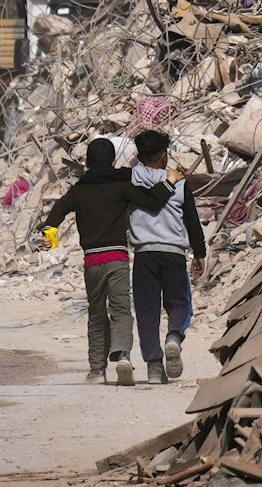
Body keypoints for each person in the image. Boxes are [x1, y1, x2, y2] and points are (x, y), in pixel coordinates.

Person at [42, 137, 181, 385]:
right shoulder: (121, 187)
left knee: (96, 314)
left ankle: (97, 369)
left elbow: (57, 211)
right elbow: (152, 201)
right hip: (117, 258)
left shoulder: (79, 190)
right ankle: (123, 356)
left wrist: (48, 234)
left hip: (92, 262)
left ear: (87, 162)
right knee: (121, 310)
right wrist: (169, 182)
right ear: (114, 162)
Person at [129, 129, 207, 384]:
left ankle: (153, 367)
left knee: (147, 311)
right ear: (163, 155)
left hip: (144, 255)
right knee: (180, 304)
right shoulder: (179, 183)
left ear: (139, 156)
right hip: (173, 253)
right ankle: (174, 336)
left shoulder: (131, 179)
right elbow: (192, 221)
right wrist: (199, 253)